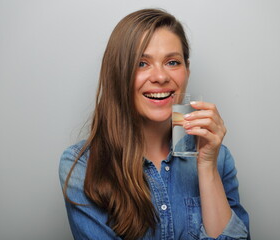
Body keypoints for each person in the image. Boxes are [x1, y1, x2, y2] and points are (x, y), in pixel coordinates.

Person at [59, 8, 250, 240]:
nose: (160, 77)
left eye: (172, 62)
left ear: (187, 71)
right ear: (118, 74)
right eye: (142, 63)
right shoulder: (82, 166)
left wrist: (207, 167)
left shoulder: (218, 158)